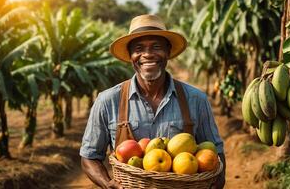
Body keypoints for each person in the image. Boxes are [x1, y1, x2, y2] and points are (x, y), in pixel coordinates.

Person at [80, 14, 225, 189]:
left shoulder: (196, 99)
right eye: (139, 48)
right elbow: (89, 156)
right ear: (131, 55)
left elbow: (215, 154)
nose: (147, 54)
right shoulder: (108, 101)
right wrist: (107, 183)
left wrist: (216, 182)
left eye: (156, 47)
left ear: (168, 52)